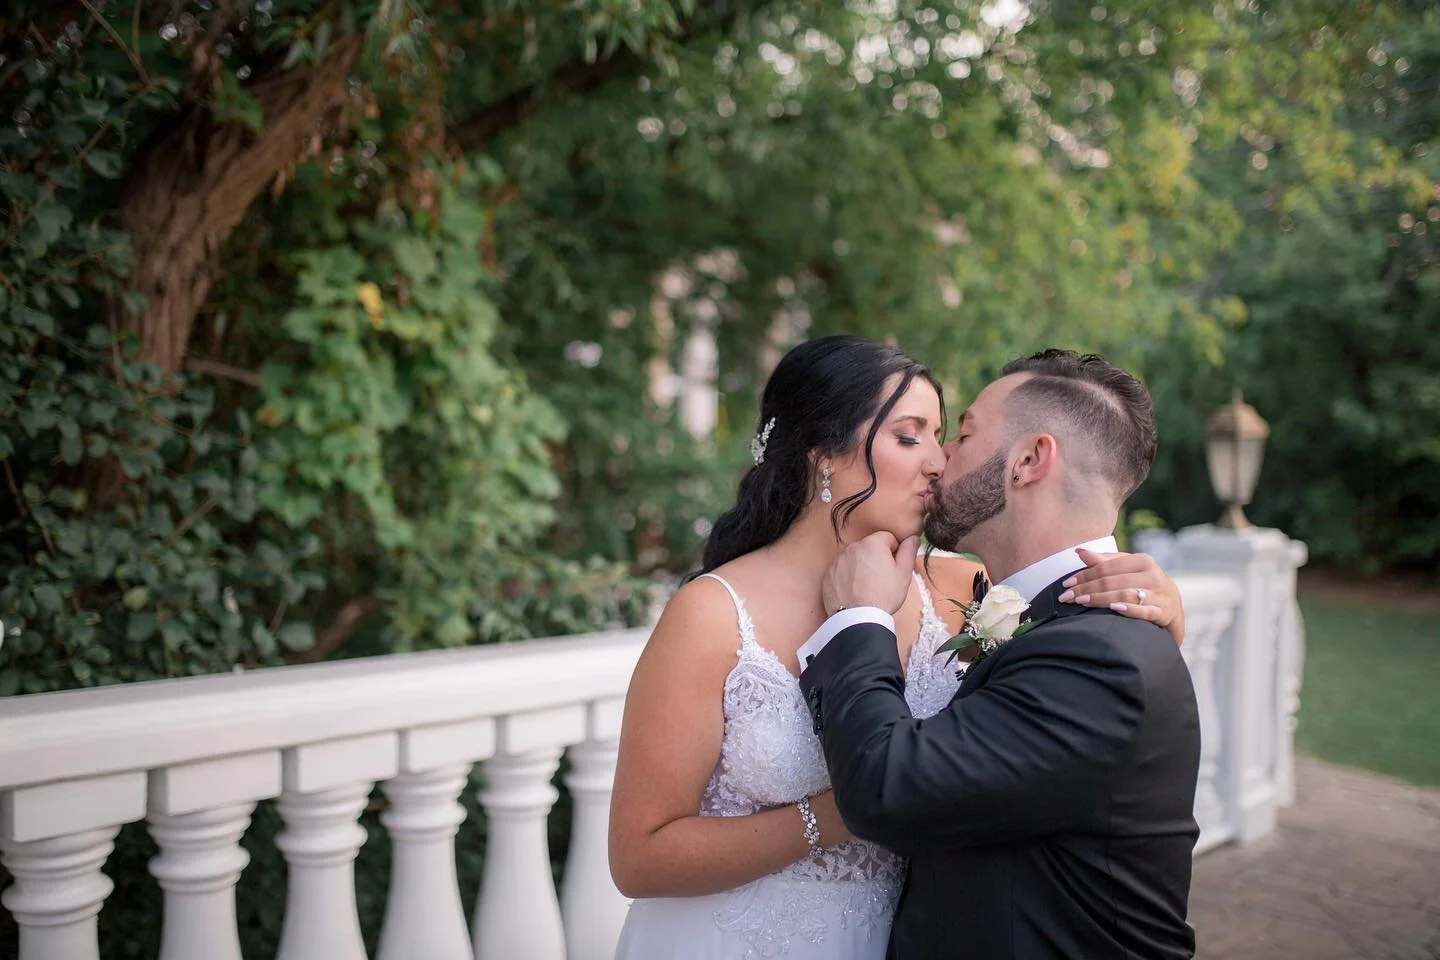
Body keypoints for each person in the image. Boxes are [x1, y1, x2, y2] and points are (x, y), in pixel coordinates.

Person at [609, 337, 1187, 960]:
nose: (939, 462)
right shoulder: (712, 613)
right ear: (823, 452)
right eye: (910, 436)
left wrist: (1159, 609)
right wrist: (844, 817)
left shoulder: (968, 590)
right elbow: (639, 856)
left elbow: (1071, 690)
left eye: (944, 436)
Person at [799, 348, 1201, 959]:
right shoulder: (1065, 620)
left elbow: (887, 791)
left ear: (1029, 461)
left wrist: (859, 618)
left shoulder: (1102, 654)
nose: (939, 459)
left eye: (961, 435)